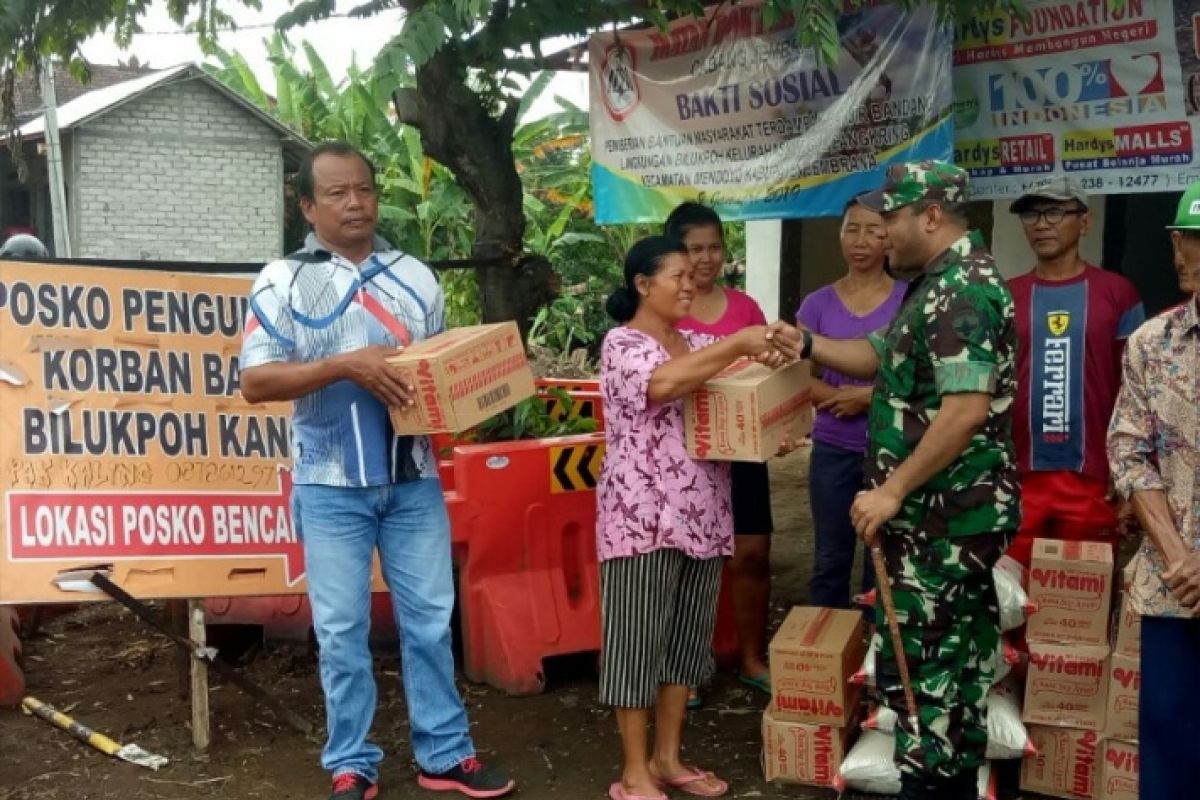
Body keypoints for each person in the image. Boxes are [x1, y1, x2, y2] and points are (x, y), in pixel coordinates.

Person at [239, 141, 515, 800]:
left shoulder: (417, 276)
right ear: (308, 205)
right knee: (340, 633)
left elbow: (435, 371)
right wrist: (344, 364)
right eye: (336, 193)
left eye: (363, 188)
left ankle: (445, 755)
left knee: (428, 622)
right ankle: (351, 764)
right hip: (329, 484)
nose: (355, 202)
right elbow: (255, 381)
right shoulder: (281, 279)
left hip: (413, 478)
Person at [783, 161, 1018, 800]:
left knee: (926, 685)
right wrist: (803, 342)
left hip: (944, 526)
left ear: (931, 215)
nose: (881, 233)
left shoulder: (962, 291)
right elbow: (874, 354)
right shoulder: (935, 287)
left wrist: (891, 490)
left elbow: (966, 410)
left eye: (891, 218)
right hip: (938, 525)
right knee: (949, 680)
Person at [597, 235, 791, 800]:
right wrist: (738, 343)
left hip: (704, 515)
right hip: (640, 520)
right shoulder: (623, 344)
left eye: (694, 275)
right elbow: (663, 386)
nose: (690, 284)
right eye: (676, 275)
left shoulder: (698, 341)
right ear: (642, 284)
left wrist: (771, 425)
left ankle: (667, 758)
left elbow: (742, 400)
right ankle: (633, 771)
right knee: (635, 643)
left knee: (686, 644)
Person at [1107, 181, 1200, 800]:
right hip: (1175, 589)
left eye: (1194, 239)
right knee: (1169, 737)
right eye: (1180, 238)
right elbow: (1129, 451)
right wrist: (1178, 554)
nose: (1181, 251)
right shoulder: (1152, 343)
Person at [1004, 176, 1144, 568]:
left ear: (1085, 222)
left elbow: (1135, 391)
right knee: (1010, 603)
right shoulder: (1004, 295)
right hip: (1019, 478)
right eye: (1031, 214)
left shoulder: (1118, 293)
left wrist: (1126, 476)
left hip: (1093, 480)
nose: (1041, 223)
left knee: (1081, 609)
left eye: (1054, 211)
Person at [664, 202, 773, 698]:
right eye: (694, 249)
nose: (705, 259)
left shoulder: (746, 309)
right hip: (687, 457)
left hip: (745, 452)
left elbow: (768, 373)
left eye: (714, 247)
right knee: (690, 561)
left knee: (751, 553)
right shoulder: (664, 312)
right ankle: (688, 669)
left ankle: (752, 657)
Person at [796, 197, 905, 608]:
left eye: (873, 230)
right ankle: (826, 649)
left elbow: (921, 376)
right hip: (832, 446)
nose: (860, 240)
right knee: (830, 555)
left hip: (891, 448)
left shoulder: (909, 300)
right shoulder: (817, 303)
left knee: (881, 559)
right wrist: (841, 398)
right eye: (851, 229)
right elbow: (795, 376)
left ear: (890, 236)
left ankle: (873, 653)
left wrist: (870, 399)